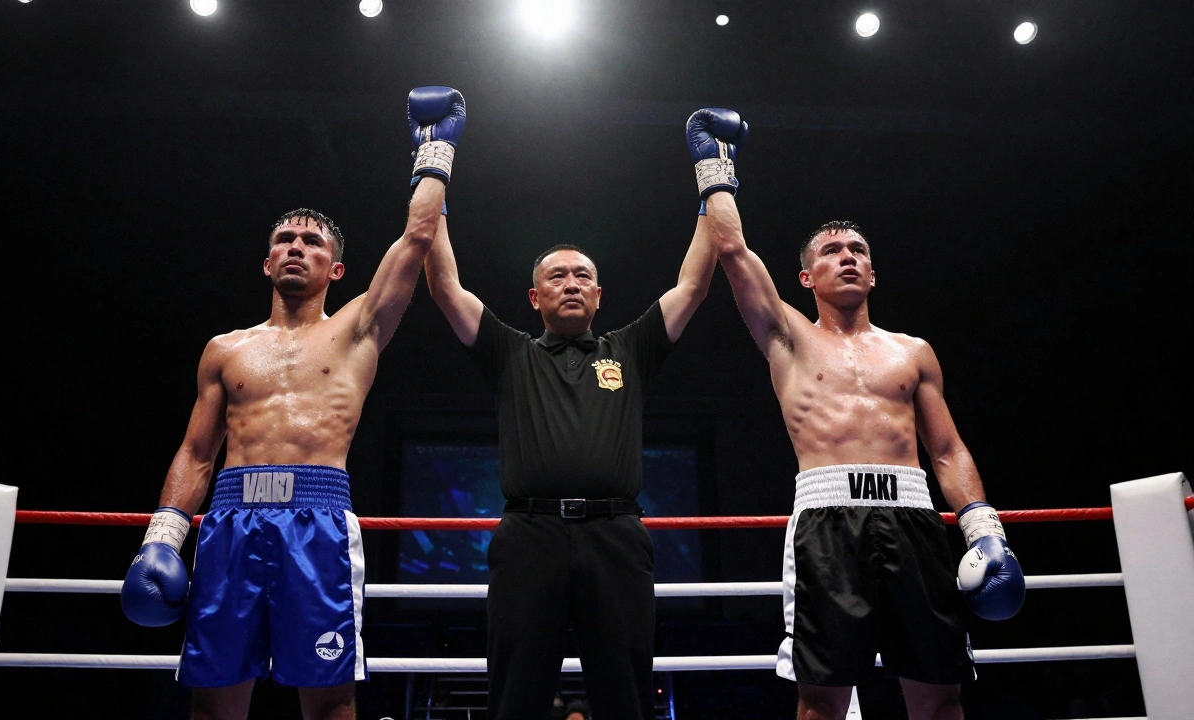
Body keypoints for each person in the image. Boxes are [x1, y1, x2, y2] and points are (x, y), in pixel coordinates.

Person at [118, 86, 467, 720]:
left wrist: (434, 151)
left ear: (337, 269)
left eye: (312, 242)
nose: (297, 247)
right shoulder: (224, 349)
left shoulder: (357, 329)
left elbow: (417, 238)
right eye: (285, 239)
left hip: (317, 520)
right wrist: (162, 537)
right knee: (212, 699)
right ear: (266, 261)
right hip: (229, 520)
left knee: (330, 701)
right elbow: (197, 452)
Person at [701, 108, 1025, 720]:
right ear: (806, 275)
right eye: (831, 250)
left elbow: (948, 450)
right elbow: (732, 250)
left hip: (913, 515)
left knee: (941, 692)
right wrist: (713, 165)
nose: (846, 257)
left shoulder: (914, 352)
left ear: (873, 273)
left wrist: (985, 530)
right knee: (821, 700)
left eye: (857, 250)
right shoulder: (787, 338)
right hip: (826, 519)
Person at [421, 110, 736, 720]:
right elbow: (444, 285)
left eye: (582, 276)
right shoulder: (508, 351)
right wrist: (434, 167)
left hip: (615, 536)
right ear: (535, 297)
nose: (571, 283)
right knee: (516, 698)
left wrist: (712, 171)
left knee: (626, 697)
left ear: (598, 294)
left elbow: (694, 284)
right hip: (528, 538)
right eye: (556, 276)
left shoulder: (631, 349)